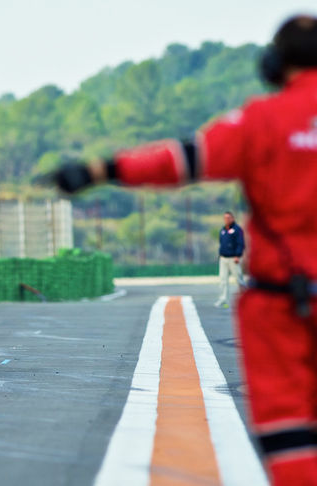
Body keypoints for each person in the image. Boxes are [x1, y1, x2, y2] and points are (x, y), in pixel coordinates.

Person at [49, 15, 317, 486]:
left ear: (274, 65)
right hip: (281, 298)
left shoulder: (260, 120)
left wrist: (99, 170)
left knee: (289, 431)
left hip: (282, 303)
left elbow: (180, 160)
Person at [216, 211, 246, 308]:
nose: (227, 220)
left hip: (233, 258)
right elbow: (221, 242)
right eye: (225, 218)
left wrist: (238, 255)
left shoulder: (237, 230)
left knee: (239, 279)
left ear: (233, 218)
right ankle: (223, 299)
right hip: (223, 258)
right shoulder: (223, 230)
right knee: (223, 280)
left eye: (229, 218)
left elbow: (240, 243)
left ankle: (245, 298)